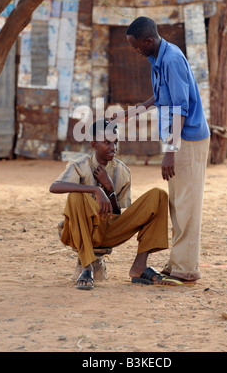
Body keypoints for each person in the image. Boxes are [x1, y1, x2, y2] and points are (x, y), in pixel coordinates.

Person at [112, 16, 210, 284]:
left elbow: (180, 107)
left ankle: (187, 269)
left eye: (136, 46)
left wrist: (170, 151)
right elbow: (161, 96)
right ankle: (179, 262)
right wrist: (129, 114)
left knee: (187, 204)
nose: (135, 51)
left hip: (187, 140)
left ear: (148, 40)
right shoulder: (157, 59)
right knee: (179, 203)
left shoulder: (172, 59)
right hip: (178, 139)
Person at [49, 119, 170, 290]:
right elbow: (54, 187)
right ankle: (87, 267)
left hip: (108, 231)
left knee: (159, 195)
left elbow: (116, 214)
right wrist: (96, 190)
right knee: (76, 195)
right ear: (94, 144)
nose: (113, 147)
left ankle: (139, 266)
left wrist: (109, 189)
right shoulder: (80, 166)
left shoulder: (122, 171)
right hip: (80, 232)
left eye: (116, 142)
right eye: (107, 142)